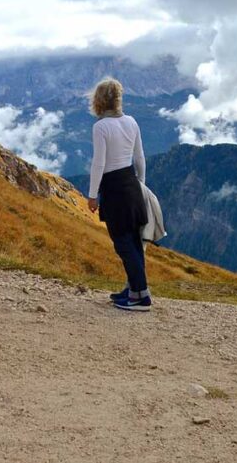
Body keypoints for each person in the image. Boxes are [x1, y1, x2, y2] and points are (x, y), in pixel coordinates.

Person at [87, 78, 151, 311]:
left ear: (99, 101)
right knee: (134, 241)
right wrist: (141, 184)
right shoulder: (131, 121)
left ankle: (140, 297)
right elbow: (140, 157)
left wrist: (93, 195)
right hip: (132, 183)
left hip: (113, 188)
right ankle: (134, 289)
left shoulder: (101, 127)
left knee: (123, 243)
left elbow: (99, 164)